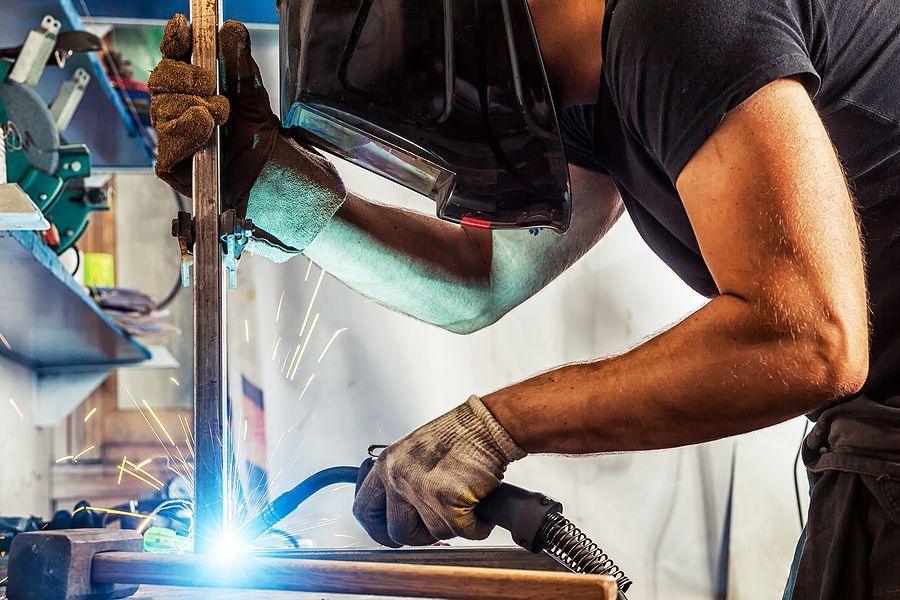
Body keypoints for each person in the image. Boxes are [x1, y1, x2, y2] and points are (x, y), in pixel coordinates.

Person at [149, 0, 900, 596]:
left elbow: (808, 340)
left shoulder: (680, 19)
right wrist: (277, 191)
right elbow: (478, 279)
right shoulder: (586, 85)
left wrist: (498, 427)